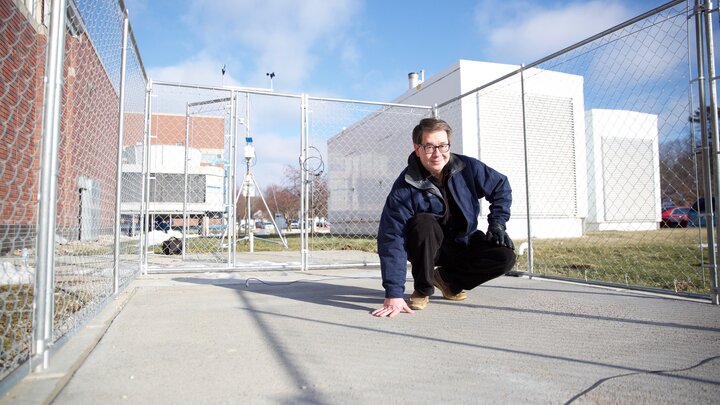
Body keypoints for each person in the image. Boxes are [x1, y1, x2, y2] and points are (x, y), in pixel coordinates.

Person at [371, 117, 516, 317]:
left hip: (463, 242)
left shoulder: (468, 167)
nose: (437, 153)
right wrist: (393, 293)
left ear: (449, 145)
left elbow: (501, 187)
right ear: (417, 148)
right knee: (423, 223)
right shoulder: (405, 187)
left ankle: (448, 280)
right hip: (427, 249)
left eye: (442, 145)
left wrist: (498, 224)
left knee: (505, 256)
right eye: (429, 147)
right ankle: (423, 288)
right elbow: (391, 238)